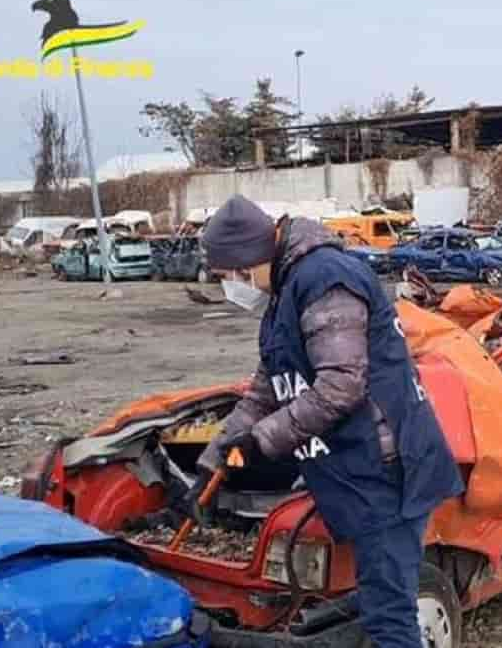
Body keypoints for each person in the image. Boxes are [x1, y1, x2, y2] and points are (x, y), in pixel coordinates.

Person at [191, 195, 464, 647]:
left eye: (229, 277)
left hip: (387, 471)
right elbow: (267, 386)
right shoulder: (285, 292)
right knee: (378, 600)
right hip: (357, 470)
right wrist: (217, 455)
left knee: (390, 617)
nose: (230, 287)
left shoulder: (324, 280)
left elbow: (341, 386)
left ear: (248, 259)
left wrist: (262, 442)